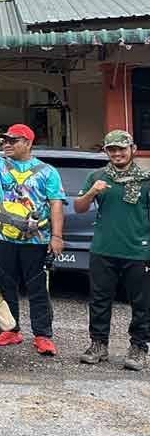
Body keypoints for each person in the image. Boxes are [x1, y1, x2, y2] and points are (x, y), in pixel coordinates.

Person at [0, 113, 65, 356]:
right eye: (5, 141)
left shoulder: (47, 171)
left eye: (14, 140)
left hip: (36, 240)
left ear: (28, 143)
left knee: (38, 288)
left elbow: (56, 204)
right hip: (2, 237)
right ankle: (11, 330)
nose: (7, 145)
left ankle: (43, 335)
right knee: (5, 286)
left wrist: (57, 236)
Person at [75, 130, 150, 371]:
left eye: (122, 148)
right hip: (103, 249)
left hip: (138, 250)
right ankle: (98, 344)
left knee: (142, 303)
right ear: (106, 151)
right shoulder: (97, 176)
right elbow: (78, 207)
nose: (117, 153)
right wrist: (92, 192)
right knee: (99, 300)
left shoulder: (146, 179)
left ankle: (139, 347)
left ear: (133, 149)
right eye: (112, 149)